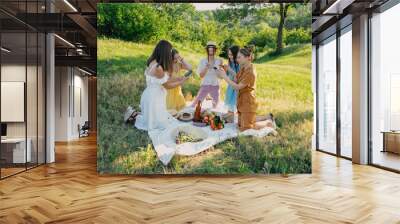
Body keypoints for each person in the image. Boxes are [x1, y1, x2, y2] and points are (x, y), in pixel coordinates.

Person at [124, 40, 189, 131]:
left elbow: (165, 80)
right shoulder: (159, 68)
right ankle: (134, 116)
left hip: (150, 96)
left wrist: (179, 78)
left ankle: (134, 114)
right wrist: (181, 82)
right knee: (162, 125)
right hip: (153, 99)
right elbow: (167, 85)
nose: (170, 53)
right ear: (164, 52)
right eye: (169, 51)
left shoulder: (152, 61)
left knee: (158, 119)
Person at [216, 47, 275, 131]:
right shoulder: (242, 68)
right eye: (237, 57)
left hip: (248, 103)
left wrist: (225, 77)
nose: (237, 59)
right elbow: (235, 80)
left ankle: (267, 124)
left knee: (245, 129)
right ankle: (258, 119)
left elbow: (237, 86)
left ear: (247, 57)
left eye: (239, 57)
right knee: (239, 126)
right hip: (241, 102)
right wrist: (223, 72)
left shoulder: (251, 73)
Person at [191, 41, 223, 108]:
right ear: (207, 50)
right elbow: (201, 75)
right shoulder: (202, 61)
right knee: (196, 104)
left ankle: (212, 117)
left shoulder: (219, 61)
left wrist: (214, 68)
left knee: (215, 105)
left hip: (215, 85)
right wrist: (206, 67)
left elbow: (220, 77)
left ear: (215, 50)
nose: (211, 50)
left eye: (212, 49)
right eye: (209, 49)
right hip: (205, 84)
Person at [222, 45, 240, 119]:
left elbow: (238, 78)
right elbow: (229, 76)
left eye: (231, 54)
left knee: (234, 104)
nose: (230, 56)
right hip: (231, 87)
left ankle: (231, 115)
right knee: (230, 105)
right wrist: (225, 70)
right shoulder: (231, 63)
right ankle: (230, 114)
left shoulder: (240, 64)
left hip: (236, 88)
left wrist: (229, 69)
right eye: (229, 54)